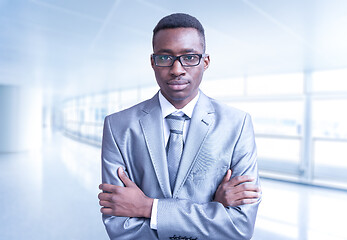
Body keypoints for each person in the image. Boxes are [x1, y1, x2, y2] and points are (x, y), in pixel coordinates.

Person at [98, 13, 261, 240]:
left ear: (205, 62)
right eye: (165, 58)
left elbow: (240, 227)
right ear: (152, 62)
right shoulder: (118, 126)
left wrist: (148, 208)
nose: (177, 70)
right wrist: (214, 209)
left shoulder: (237, 124)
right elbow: (120, 227)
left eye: (190, 57)